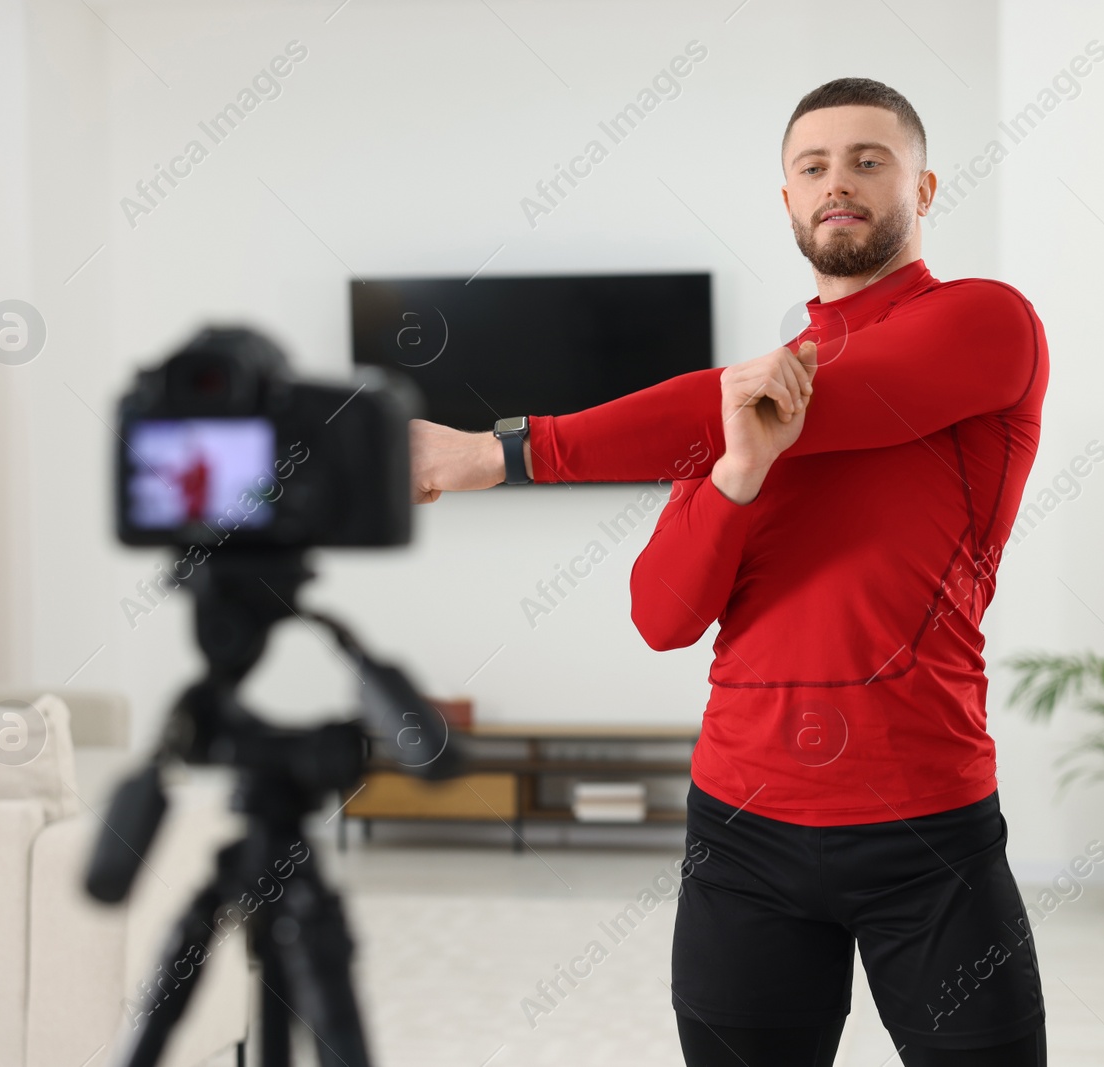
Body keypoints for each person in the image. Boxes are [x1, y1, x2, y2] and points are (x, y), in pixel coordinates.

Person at [410, 78, 1050, 1067]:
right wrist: (736, 478)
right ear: (788, 200)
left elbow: (812, 401)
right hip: (741, 834)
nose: (837, 181)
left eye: (868, 160)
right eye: (812, 165)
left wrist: (501, 451)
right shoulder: (735, 411)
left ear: (923, 190)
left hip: (927, 834)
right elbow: (662, 616)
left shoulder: (985, 324)